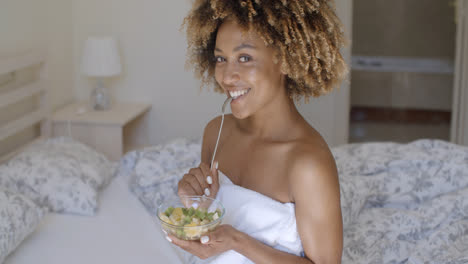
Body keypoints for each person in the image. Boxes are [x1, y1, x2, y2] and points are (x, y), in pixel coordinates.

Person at [166, 1, 348, 263]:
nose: (228, 76)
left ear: (286, 60)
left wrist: (238, 241)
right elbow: (212, 224)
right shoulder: (216, 131)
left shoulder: (308, 163)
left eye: (245, 58)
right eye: (221, 58)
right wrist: (196, 203)